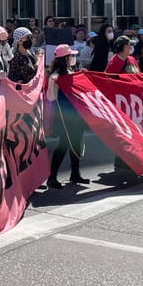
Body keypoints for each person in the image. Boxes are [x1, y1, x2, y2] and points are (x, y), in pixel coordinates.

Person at [45, 45, 89, 188]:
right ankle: (52, 177)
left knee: (76, 144)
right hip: (64, 118)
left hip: (76, 116)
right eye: (71, 56)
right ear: (65, 58)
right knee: (63, 145)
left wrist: (81, 75)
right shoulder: (55, 76)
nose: (73, 58)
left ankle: (75, 174)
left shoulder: (71, 72)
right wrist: (54, 82)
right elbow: (50, 97)